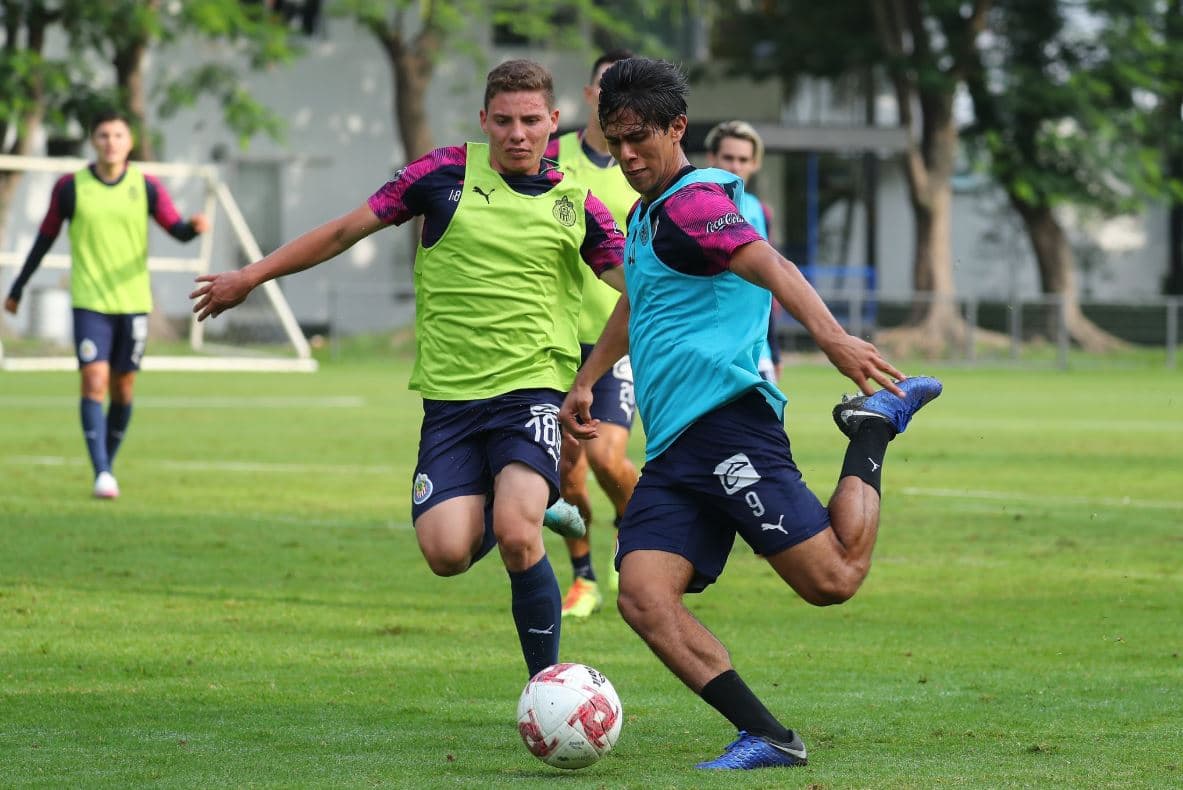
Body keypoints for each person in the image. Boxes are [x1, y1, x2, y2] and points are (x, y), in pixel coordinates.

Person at [559, 57, 942, 770]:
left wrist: (831, 338)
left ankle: (871, 430)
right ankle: (767, 736)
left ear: (677, 127)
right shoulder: (644, 215)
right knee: (642, 597)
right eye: (616, 141)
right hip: (674, 449)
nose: (628, 154)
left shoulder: (694, 204)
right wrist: (586, 379)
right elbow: (636, 303)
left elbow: (772, 267)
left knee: (831, 581)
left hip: (727, 425)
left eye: (640, 137)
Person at [190, 59, 626, 680]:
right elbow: (344, 231)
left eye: (531, 121)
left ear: (553, 121)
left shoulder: (576, 202)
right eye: (504, 121)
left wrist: (590, 377)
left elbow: (638, 291)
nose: (518, 134)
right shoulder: (440, 175)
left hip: (532, 390)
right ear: (484, 120)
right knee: (447, 554)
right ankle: (529, 502)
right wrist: (250, 276)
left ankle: (547, 686)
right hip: (450, 401)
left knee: (515, 533)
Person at [4, 110, 209, 499]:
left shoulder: (145, 186)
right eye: (103, 135)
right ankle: (101, 472)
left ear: (129, 142)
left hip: (133, 303)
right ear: (92, 142)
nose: (110, 142)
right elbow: (44, 238)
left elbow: (176, 229)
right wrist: (18, 287)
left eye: (118, 135)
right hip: (89, 301)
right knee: (94, 381)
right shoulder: (70, 187)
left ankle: (106, 466)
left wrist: (193, 228)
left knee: (124, 388)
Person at [540, 49, 641, 619]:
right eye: (607, 86)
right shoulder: (551, 158)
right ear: (589, 94)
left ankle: (632, 531)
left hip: (614, 340)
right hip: (554, 341)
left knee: (606, 459)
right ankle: (583, 577)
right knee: (567, 474)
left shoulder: (641, 166)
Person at [704, 120, 781, 383]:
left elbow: (768, 282)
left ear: (754, 164)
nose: (735, 166)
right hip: (708, 351)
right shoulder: (692, 208)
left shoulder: (760, 211)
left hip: (757, 353)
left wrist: (774, 350)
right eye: (728, 158)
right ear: (712, 158)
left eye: (743, 159)